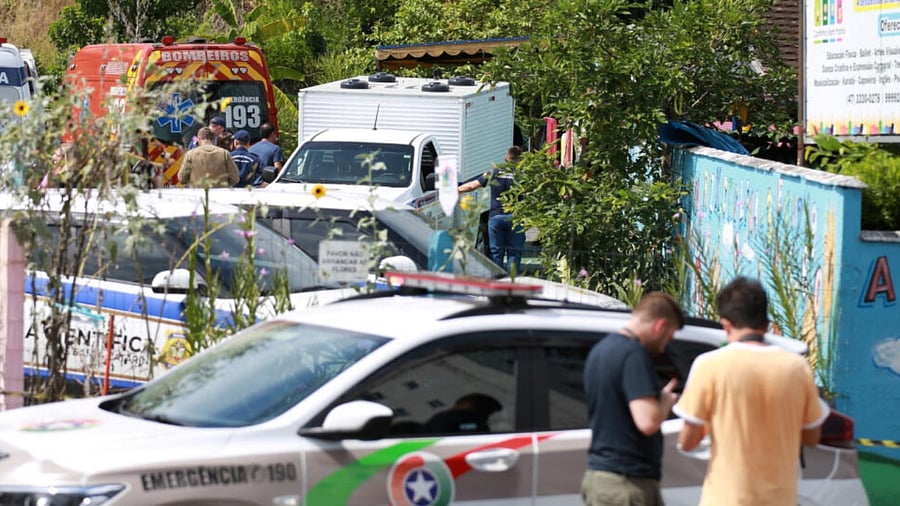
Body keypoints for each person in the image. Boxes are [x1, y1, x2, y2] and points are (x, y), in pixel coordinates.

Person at [673, 277, 829, 506]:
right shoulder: (797, 368)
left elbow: (688, 441)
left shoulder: (710, 365)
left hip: (726, 499)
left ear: (726, 325)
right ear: (766, 325)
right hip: (780, 499)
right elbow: (811, 437)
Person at [582, 292, 684, 506]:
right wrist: (665, 402)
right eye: (668, 336)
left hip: (600, 478)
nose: (665, 346)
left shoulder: (600, 351)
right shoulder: (634, 354)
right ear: (659, 326)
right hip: (627, 485)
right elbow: (647, 422)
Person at [458, 145, 526, 273]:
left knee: (496, 252)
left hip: (496, 217)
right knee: (514, 252)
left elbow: (472, 186)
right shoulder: (522, 175)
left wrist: (454, 190)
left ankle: (497, 281)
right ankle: (512, 283)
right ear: (519, 159)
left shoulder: (494, 172)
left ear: (506, 157)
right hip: (516, 218)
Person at [423, 393, 502, 434]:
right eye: (485, 411)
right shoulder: (459, 419)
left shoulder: (442, 418)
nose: (486, 417)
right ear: (468, 405)